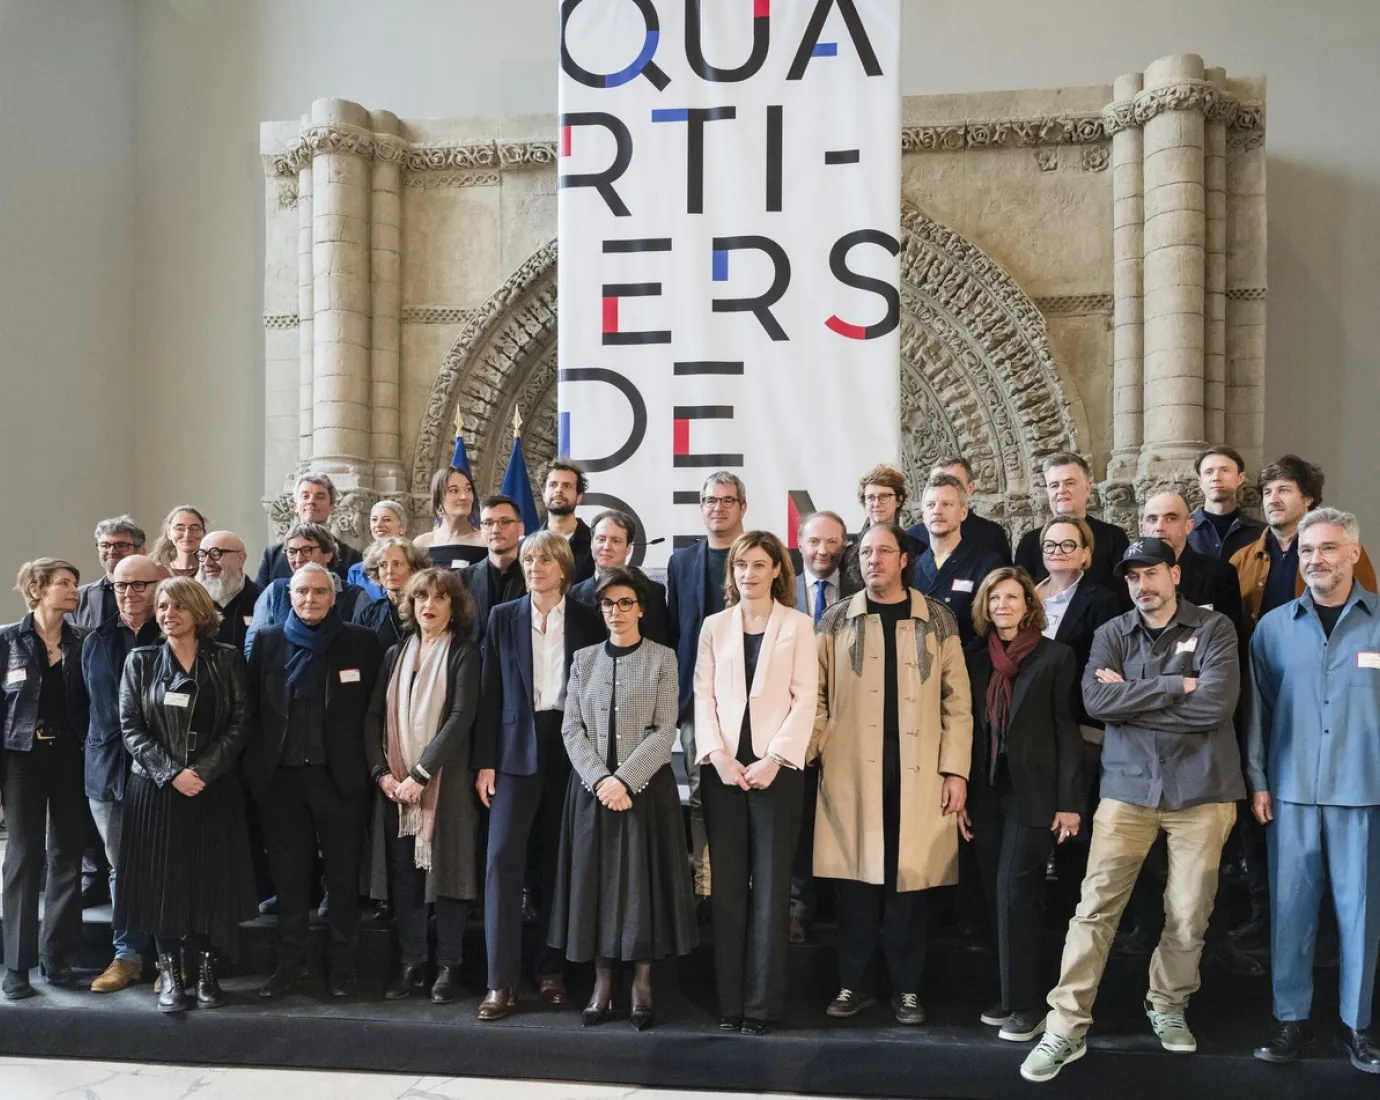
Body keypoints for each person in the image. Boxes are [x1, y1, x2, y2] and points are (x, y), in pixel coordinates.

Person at [1020, 537, 1242, 1083]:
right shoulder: (1110, 633)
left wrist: (1135, 702)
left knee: (1189, 911)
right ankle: (1065, 1027)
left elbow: (1217, 704)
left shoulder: (1214, 629)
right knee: (1095, 910)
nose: (1142, 585)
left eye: (1152, 574)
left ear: (1174, 574)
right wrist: (1174, 686)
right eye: (1132, 577)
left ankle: (1167, 1002)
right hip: (1128, 789)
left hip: (1203, 790)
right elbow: (1096, 703)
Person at [811, 523, 973, 1025]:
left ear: (904, 559)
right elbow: (814, 694)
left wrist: (956, 772)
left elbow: (958, 704)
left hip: (919, 770)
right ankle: (852, 984)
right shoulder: (836, 619)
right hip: (850, 769)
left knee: (909, 884)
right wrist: (820, 747)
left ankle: (907, 990)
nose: (872, 560)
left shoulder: (937, 619)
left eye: (884, 551)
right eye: (865, 552)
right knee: (855, 884)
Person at [1246, 508, 1380, 1073]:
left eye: (1327, 548)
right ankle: (1290, 1019)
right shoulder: (1273, 627)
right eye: (1305, 551)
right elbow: (1257, 712)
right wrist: (1257, 781)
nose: (1315, 560)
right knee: (1292, 910)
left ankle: (1359, 1026)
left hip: (1363, 791)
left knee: (1361, 914)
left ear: (1353, 552)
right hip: (1292, 790)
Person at [548, 568, 698, 1031]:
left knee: (641, 890)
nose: (616, 612)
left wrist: (625, 781)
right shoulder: (584, 660)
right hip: (592, 794)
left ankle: (642, 986)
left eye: (625, 603)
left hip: (645, 793)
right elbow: (571, 727)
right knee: (594, 886)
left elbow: (663, 728)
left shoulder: (662, 659)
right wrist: (599, 779)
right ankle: (602, 984)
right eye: (608, 604)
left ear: (642, 608)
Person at [472, 531, 603, 1020]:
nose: (534, 566)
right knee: (502, 859)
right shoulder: (502, 618)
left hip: (570, 749)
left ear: (564, 567)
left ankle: (550, 973)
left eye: (544, 559)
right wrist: (484, 761)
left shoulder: (589, 621)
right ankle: (499, 983)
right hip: (513, 750)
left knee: (556, 862)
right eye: (528, 559)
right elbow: (489, 693)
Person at [115, 577, 257, 1012]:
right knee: (164, 883)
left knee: (209, 881)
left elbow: (241, 721)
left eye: (177, 606)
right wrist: (172, 772)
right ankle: (172, 976)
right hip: (156, 791)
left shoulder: (227, 658)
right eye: (161, 606)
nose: (167, 614)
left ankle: (206, 973)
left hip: (213, 789)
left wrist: (204, 771)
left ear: (198, 611)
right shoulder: (140, 661)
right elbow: (130, 727)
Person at [694, 531, 816, 1035]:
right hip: (723, 770)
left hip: (776, 772)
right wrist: (717, 756)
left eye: (759, 564)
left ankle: (761, 1006)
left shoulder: (798, 625)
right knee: (726, 891)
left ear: (777, 573)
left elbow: (806, 698)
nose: (749, 573)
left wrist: (774, 759)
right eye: (741, 565)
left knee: (769, 891)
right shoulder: (714, 626)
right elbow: (702, 696)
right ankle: (729, 1002)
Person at [245, 563, 384, 999]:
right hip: (282, 780)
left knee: (342, 878)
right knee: (289, 879)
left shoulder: (360, 643)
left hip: (339, 779)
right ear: (290, 596)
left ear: (334, 596)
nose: (309, 599)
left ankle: (342, 964)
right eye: (302, 591)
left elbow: (374, 712)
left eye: (319, 592)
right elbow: (250, 711)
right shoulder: (267, 642)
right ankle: (291, 964)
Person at [964, 568, 1082, 1043]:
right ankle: (1011, 995)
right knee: (997, 894)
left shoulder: (1056, 656)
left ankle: (1029, 1004)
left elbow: (1067, 732)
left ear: (1029, 605)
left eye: (1012, 597)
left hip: (1035, 794)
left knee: (1016, 892)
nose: (1003, 606)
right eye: (995, 598)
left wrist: (1070, 802)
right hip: (987, 792)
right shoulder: (976, 660)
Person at [364, 568, 481, 1005]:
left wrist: (420, 775)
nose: (429, 605)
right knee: (406, 880)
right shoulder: (395, 653)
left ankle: (448, 967)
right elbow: (373, 715)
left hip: (445, 783)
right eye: (421, 598)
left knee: (447, 878)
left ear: (454, 607)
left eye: (438, 598)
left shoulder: (464, 653)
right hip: (396, 790)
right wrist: (384, 775)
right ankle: (411, 963)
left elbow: (460, 717)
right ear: (410, 606)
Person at [0, 560, 87, 1000]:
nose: (74, 590)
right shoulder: (6, 640)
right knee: (22, 855)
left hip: (70, 757)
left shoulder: (81, 642)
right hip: (20, 757)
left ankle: (57, 956)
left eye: (75, 583)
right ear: (37, 589)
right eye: (64, 584)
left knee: (67, 853)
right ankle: (16, 966)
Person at [80, 555, 162, 994]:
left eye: (139, 585)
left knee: (165, 865)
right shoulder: (95, 640)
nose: (129, 594)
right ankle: (127, 956)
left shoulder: (171, 633)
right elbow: (83, 708)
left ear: (159, 584)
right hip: (106, 770)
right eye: (120, 586)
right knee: (121, 868)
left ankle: (169, 958)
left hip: (158, 771)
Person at [667, 471, 747, 907]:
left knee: (745, 789)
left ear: (742, 507)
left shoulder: (759, 555)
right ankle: (706, 883)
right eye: (710, 500)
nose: (718, 507)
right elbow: (677, 630)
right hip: (698, 699)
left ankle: (745, 881)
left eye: (727, 500)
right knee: (701, 793)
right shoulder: (682, 562)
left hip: (751, 699)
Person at [789, 510, 859, 943]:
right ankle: (797, 905)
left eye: (832, 542)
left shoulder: (859, 591)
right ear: (800, 543)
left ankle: (846, 907)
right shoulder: (782, 590)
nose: (823, 550)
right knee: (797, 820)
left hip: (848, 718)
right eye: (815, 542)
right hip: (791, 720)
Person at [1231, 455, 1376, 634]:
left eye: (1283, 490)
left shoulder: (1343, 550)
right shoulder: (1242, 559)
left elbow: (1366, 613)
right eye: (1267, 492)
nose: (1273, 500)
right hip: (1261, 657)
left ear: (1308, 498)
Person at [244, 522, 366, 660]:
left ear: (328, 555)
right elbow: (253, 646)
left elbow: (362, 645)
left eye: (307, 550)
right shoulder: (275, 591)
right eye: (292, 552)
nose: (298, 559)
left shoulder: (355, 595)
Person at [912, 473, 1004, 647]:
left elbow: (990, 630)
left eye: (946, 504)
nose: (937, 510)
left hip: (966, 667)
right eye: (931, 505)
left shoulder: (987, 564)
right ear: (923, 514)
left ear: (963, 512)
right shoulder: (912, 567)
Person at [1014, 454, 1130, 591]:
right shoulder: (1029, 542)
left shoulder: (1114, 537)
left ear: (1087, 489)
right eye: (1054, 485)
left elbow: (1124, 598)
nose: (1061, 491)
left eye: (1069, 483)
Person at [568, 509, 670, 645]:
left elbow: (658, 646)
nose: (606, 547)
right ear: (591, 543)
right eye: (601, 539)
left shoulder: (652, 592)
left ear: (628, 548)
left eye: (616, 541)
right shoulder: (573, 594)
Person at [1141, 492, 1243, 629]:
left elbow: (1230, 636)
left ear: (1188, 526)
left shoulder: (1219, 574)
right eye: (1152, 519)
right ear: (1142, 528)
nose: (1159, 527)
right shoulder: (1130, 579)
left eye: (1170, 518)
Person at [254, 473, 362, 586]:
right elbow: (259, 600)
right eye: (305, 496)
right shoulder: (272, 556)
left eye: (320, 497)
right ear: (295, 506)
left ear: (331, 508)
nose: (311, 501)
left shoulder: (351, 557)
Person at [908, 455, 1013, 565]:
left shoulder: (991, 534)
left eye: (954, 483)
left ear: (970, 488)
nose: (945, 489)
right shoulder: (913, 537)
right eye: (938, 482)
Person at [841, 464, 925, 590]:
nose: (876, 503)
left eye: (884, 496)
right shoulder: (848, 550)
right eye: (870, 497)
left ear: (898, 500)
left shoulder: (917, 549)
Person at [461, 496, 527, 647]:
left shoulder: (535, 577)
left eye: (505, 522)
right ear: (481, 529)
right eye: (488, 523)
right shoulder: (460, 580)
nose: (496, 529)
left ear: (520, 528)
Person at [1188, 446, 1265, 561]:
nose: (1216, 477)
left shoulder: (1261, 532)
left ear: (1240, 478)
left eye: (1225, 470)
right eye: (1209, 472)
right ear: (1200, 482)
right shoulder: (1184, 530)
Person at [353, 537, 430, 651]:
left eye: (397, 564)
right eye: (383, 565)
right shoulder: (369, 612)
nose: (389, 571)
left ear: (413, 568)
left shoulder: (428, 609)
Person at [72, 516, 146, 631]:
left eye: (121, 545)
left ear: (141, 550)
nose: (112, 551)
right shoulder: (79, 597)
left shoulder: (158, 593)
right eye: (105, 545)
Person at [196, 531, 259, 654]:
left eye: (215, 554)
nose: (207, 562)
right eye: (202, 555)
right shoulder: (191, 603)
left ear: (240, 558)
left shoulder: (261, 600)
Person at [414, 466, 487, 570]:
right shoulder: (421, 544)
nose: (464, 496)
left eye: (468, 489)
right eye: (454, 490)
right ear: (438, 498)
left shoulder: (485, 541)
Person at [542, 460, 595, 583]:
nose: (558, 490)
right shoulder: (526, 546)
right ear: (543, 495)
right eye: (553, 485)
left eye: (567, 486)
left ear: (579, 497)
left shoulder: (596, 545)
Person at [347, 500, 409, 600]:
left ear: (402, 527)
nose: (378, 525)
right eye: (374, 520)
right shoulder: (356, 572)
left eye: (387, 520)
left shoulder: (414, 564)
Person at [150, 505, 208, 578]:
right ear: (169, 534)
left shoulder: (210, 569)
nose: (187, 535)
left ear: (204, 533)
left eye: (195, 528)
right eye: (180, 528)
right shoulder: (156, 572)